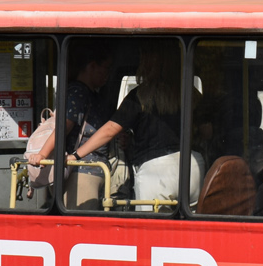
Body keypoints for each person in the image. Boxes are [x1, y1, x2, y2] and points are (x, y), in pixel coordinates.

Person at [72, 44, 203, 209]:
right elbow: (206, 130)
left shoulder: (140, 96)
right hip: (192, 166)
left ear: (149, 64)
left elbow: (110, 130)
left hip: (155, 172)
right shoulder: (192, 94)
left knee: (151, 230)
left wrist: (75, 156)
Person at [31, 42, 112, 206]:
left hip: (91, 168)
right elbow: (63, 127)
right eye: (105, 68)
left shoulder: (90, 94)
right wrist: (43, 155)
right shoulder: (78, 92)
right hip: (80, 170)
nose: (107, 75)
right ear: (92, 66)